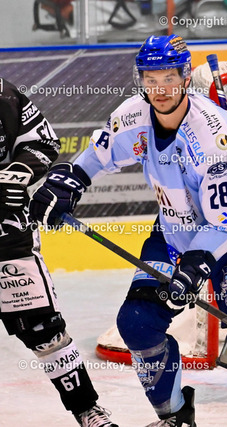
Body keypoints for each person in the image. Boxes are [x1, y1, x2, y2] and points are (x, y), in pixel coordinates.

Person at [29, 35, 227, 427]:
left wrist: (196, 265)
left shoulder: (215, 136)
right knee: (138, 323)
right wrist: (70, 179)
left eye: (168, 78)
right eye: (151, 80)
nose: (160, 89)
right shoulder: (134, 115)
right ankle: (176, 417)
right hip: (173, 233)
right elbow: (100, 153)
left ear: (184, 78)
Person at [0, 78, 117, 426]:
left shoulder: (4, 94)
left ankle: (87, 410)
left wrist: (19, 171)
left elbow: (43, 141)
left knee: (44, 330)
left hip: (7, 234)